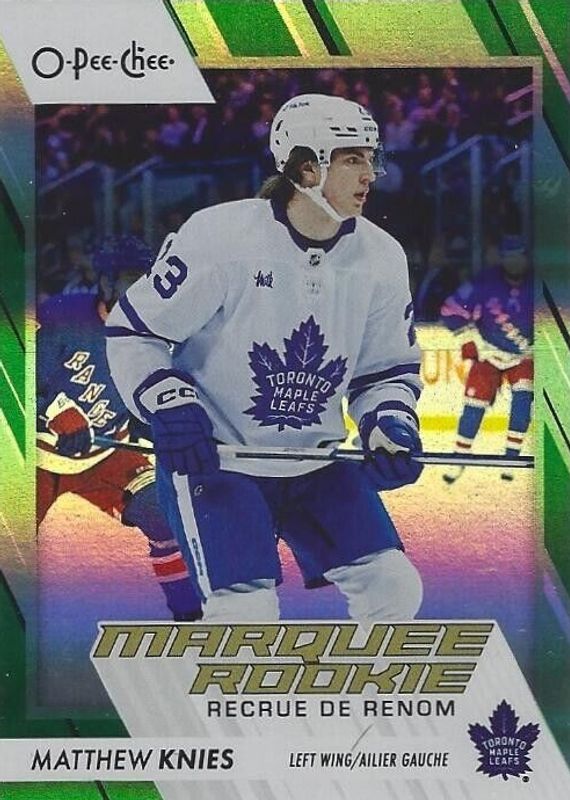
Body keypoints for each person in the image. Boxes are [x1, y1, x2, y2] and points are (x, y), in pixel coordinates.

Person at [106, 94, 424, 624]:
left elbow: (385, 371)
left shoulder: (383, 256)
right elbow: (136, 331)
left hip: (316, 463)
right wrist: (168, 402)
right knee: (245, 613)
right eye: (352, 159)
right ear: (306, 167)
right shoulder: (220, 236)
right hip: (219, 463)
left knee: (395, 589)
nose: (370, 174)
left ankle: (360, 682)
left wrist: (390, 422)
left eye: (371, 158)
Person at [37, 235, 202, 621]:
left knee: (165, 516)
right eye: (130, 281)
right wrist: (57, 411)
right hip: (39, 455)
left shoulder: (156, 336)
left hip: (109, 451)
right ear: (106, 282)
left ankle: (190, 618)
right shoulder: (60, 316)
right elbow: (15, 378)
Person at [440, 235, 533, 483]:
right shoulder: (484, 282)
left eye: (519, 256)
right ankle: (459, 460)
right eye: (509, 257)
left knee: (522, 406)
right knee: (473, 408)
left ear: (526, 257)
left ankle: (511, 459)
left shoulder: (539, 284)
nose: (514, 262)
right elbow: (450, 309)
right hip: (488, 353)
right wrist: (468, 339)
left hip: (524, 357)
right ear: (502, 259)